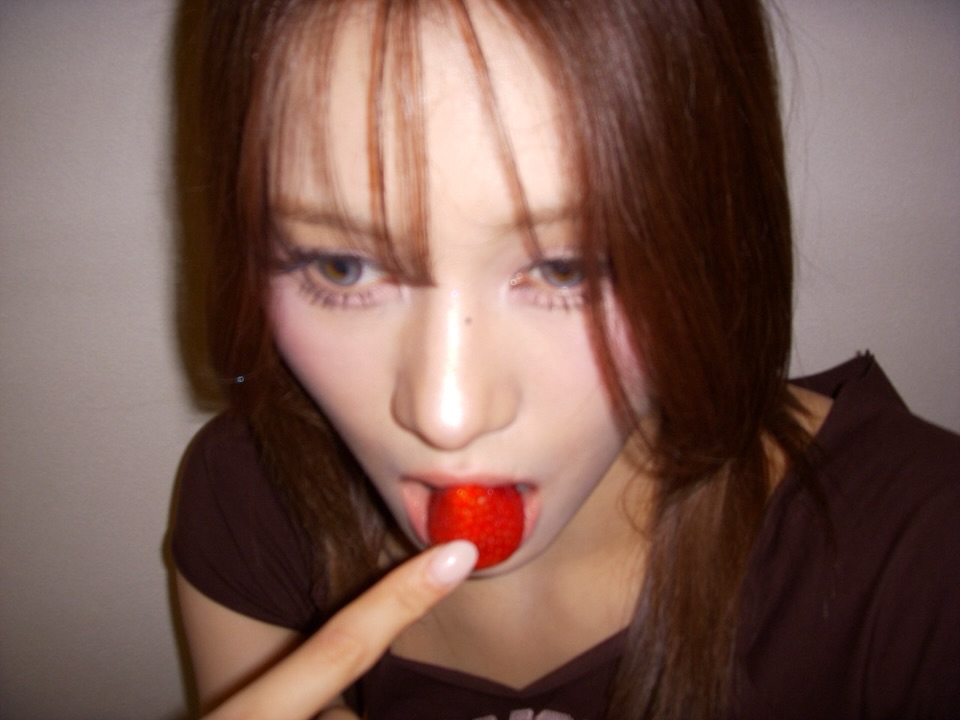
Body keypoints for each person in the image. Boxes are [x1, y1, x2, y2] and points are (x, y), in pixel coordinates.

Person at [169, 0, 960, 718]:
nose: (446, 416)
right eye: (341, 267)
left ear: (714, 241)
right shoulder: (252, 502)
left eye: (565, 268)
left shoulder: (926, 565)